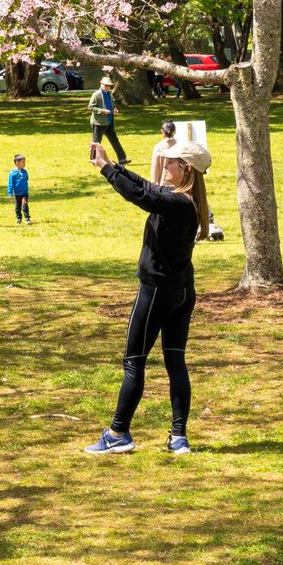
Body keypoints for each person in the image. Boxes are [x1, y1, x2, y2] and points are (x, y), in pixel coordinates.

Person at [84, 138, 210, 456]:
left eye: (170, 162)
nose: (164, 165)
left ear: (186, 169)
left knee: (133, 363)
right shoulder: (184, 199)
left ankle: (118, 433)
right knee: (175, 362)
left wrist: (105, 172)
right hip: (182, 290)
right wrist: (111, 164)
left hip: (157, 290)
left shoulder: (178, 203)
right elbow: (147, 188)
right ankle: (178, 438)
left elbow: (139, 196)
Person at [88, 77, 127, 164]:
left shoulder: (110, 94)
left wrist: (115, 111)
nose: (107, 87)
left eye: (109, 86)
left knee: (115, 141)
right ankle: (93, 159)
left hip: (109, 122)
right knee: (96, 142)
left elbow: (112, 106)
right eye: (105, 85)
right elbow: (91, 107)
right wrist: (103, 111)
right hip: (98, 123)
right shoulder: (96, 94)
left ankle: (122, 159)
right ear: (101, 84)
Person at [8, 154, 32, 224]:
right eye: (23, 162)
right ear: (17, 163)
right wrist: (10, 193)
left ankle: (27, 218)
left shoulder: (25, 172)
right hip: (17, 193)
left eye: (25, 162)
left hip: (24, 193)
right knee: (17, 207)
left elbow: (26, 179)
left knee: (24, 205)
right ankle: (19, 219)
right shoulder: (12, 173)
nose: (24, 164)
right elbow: (10, 184)